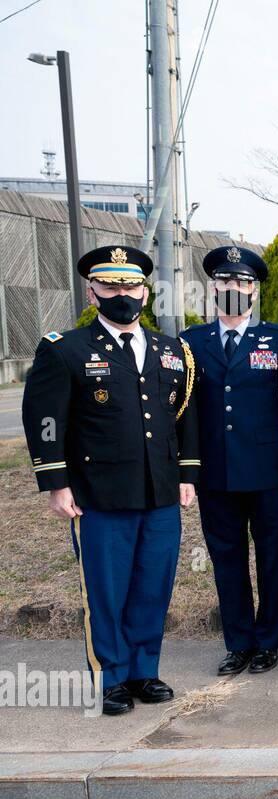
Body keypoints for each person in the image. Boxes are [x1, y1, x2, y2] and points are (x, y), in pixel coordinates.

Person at [21, 245, 199, 715]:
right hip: (97, 495)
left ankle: (144, 671)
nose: (123, 294)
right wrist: (56, 483)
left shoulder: (171, 350)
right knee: (106, 588)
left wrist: (186, 475)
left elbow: (184, 419)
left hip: (159, 491)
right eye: (112, 285)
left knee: (152, 585)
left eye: (132, 285)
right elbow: (44, 419)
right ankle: (111, 677)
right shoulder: (65, 349)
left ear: (146, 291)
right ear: (92, 291)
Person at [181, 246, 278, 676]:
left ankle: (270, 641)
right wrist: (189, 472)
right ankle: (239, 643)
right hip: (216, 474)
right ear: (213, 288)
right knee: (226, 559)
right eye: (226, 281)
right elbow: (186, 415)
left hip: (268, 473)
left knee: (272, 557)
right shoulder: (190, 343)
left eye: (243, 282)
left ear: (254, 291)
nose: (234, 288)